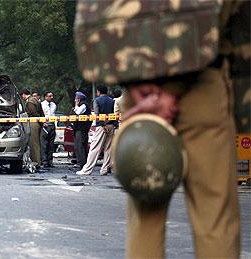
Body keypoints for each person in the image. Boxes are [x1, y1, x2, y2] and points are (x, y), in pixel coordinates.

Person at [74, 1, 242, 258]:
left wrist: (135, 79)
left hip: (136, 83)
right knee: (215, 216)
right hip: (204, 80)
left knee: (145, 210)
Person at [76, 85, 115, 176]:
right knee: (108, 149)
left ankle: (87, 170)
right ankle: (104, 170)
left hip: (101, 127)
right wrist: (108, 123)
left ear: (98, 92)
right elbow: (113, 113)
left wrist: (102, 124)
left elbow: (97, 114)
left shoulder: (96, 100)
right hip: (111, 125)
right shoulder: (111, 101)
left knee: (95, 148)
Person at [19, 88, 44, 168]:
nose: (22, 98)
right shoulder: (35, 100)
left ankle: (36, 162)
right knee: (36, 143)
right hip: (37, 122)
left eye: (22, 96)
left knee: (34, 144)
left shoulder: (30, 101)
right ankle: (37, 161)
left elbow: (34, 113)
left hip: (33, 122)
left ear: (24, 94)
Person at [71, 91, 91, 169]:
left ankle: (81, 163)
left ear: (78, 99)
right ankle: (81, 162)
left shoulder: (83, 105)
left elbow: (78, 112)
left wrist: (76, 105)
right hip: (79, 128)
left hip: (81, 128)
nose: (75, 100)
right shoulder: (82, 105)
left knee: (80, 146)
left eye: (76, 99)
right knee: (78, 145)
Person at [40, 91, 57, 167]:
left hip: (52, 125)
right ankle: (44, 161)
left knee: (51, 145)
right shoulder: (42, 104)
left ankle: (50, 161)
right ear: (46, 97)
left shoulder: (54, 105)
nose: (51, 97)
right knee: (44, 144)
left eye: (52, 96)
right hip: (45, 126)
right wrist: (43, 123)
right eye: (50, 96)